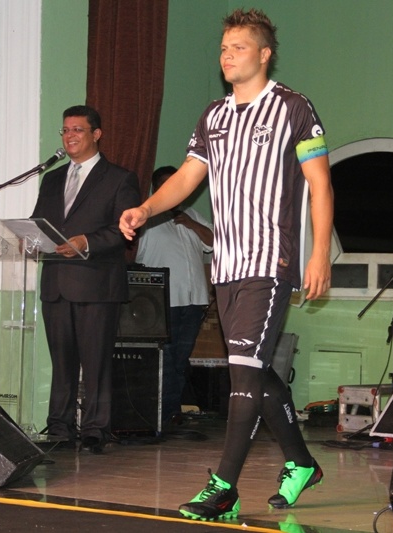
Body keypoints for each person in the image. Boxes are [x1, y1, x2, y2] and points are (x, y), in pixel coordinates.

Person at [119, 9, 333, 520]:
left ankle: (224, 487)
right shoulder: (213, 117)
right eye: (223, 48)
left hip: (270, 261)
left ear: (264, 54)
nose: (227, 56)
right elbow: (187, 177)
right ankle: (302, 463)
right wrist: (147, 209)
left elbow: (321, 185)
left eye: (238, 47)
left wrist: (320, 252)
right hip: (227, 265)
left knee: (244, 376)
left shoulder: (293, 108)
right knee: (251, 370)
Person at [32, 105, 140, 454]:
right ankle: (60, 428)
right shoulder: (51, 179)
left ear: (96, 134)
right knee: (61, 363)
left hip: (97, 284)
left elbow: (123, 230)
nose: (70, 136)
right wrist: (28, 239)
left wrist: (87, 242)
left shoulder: (119, 178)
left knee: (96, 362)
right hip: (56, 284)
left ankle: (96, 429)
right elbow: (40, 223)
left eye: (77, 129)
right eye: (65, 130)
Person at [134, 165, 213, 426]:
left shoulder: (191, 214)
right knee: (163, 362)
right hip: (162, 303)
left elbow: (215, 242)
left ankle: (172, 412)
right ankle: (158, 415)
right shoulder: (148, 218)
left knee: (181, 360)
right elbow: (133, 256)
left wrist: (192, 224)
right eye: (165, 185)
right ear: (156, 189)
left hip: (194, 301)